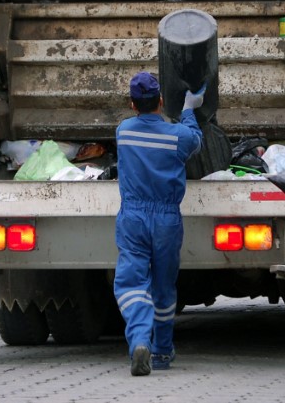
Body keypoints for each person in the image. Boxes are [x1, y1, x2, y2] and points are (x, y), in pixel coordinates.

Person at [113, 72, 203, 376]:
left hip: (134, 218)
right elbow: (195, 141)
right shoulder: (178, 135)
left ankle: (140, 340)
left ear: (132, 104)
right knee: (164, 287)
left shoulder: (123, 132)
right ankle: (163, 351)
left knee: (131, 282)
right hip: (166, 219)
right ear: (161, 101)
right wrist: (190, 110)